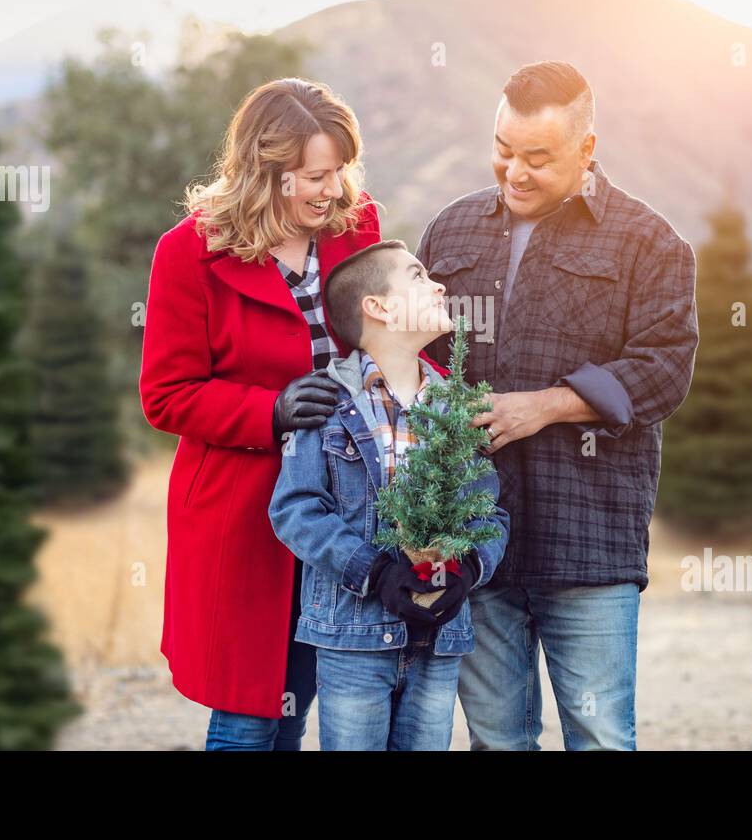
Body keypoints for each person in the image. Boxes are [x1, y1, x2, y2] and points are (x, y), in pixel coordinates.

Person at [416, 61, 700, 750]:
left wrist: (545, 406)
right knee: (496, 741)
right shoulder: (448, 233)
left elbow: (664, 370)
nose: (514, 171)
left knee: (600, 736)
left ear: (587, 150)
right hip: (475, 537)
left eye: (537, 158)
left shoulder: (650, 242)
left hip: (589, 536)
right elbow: (414, 360)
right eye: (503, 150)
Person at [140, 77, 387, 750]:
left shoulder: (356, 227)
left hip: (337, 510)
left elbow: (381, 342)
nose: (333, 190)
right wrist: (269, 411)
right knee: (249, 712)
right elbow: (166, 393)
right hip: (238, 516)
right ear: (265, 172)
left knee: (298, 696)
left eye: (339, 171)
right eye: (314, 175)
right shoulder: (188, 253)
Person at [269, 240, 510, 750]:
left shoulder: (455, 407)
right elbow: (295, 509)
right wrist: (374, 572)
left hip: (440, 639)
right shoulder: (327, 401)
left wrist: (467, 570)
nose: (439, 284)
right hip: (351, 638)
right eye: (418, 276)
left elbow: (489, 511)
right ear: (376, 307)